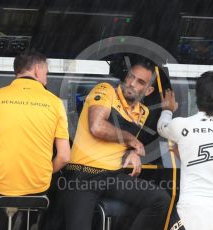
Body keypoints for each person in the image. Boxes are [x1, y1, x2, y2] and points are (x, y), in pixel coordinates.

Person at [0, 50, 70, 229]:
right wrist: (44, 174)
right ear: (37, 69)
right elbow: (64, 157)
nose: (47, 78)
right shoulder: (55, 103)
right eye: (46, 72)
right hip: (38, 187)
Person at [63, 61, 170, 230]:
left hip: (114, 177)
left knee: (160, 200)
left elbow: (123, 146)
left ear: (148, 91)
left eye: (140, 82)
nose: (132, 83)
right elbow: (97, 127)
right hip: (84, 174)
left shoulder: (143, 112)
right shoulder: (105, 90)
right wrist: (131, 140)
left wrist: (133, 153)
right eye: (130, 77)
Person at [157, 71, 213, 230]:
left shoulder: (181, 125)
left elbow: (161, 128)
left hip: (190, 211)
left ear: (197, 96)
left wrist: (167, 110)